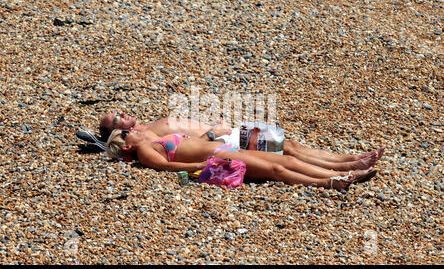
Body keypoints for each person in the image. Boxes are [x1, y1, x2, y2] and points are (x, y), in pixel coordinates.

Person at [105, 128, 378, 190]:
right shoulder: (143, 152)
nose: (134, 130)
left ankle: (340, 169)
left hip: (224, 151)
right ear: (127, 146)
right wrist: (200, 166)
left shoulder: (150, 140)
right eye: (127, 133)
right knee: (275, 169)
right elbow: (166, 166)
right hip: (218, 159)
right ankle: (334, 182)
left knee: (284, 160)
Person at [99, 112, 385, 171]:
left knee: (289, 145)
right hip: (225, 139)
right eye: (117, 119)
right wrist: (213, 132)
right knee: (286, 151)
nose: (123, 114)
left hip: (229, 132)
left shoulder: (149, 125)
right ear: (119, 135)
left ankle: (345, 159)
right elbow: (185, 148)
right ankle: (346, 164)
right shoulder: (148, 139)